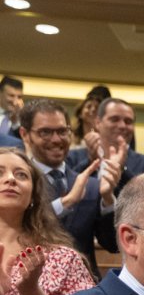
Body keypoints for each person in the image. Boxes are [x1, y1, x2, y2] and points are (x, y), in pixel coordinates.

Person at [0, 148, 94, 295]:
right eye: (0, 173)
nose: (10, 180)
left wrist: (31, 292)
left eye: (21, 174)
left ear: (33, 196)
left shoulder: (63, 259)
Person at [19, 99, 119, 277]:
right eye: (45, 132)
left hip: (84, 288)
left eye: (62, 131)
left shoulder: (91, 183)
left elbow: (112, 245)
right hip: (33, 286)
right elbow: (22, 228)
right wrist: (66, 203)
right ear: (25, 135)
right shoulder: (17, 183)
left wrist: (108, 199)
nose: (56, 139)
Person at [66, 98, 144, 189]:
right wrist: (90, 163)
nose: (122, 126)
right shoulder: (72, 158)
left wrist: (122, 170)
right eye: (114, 119)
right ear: (98, 122)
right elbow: (65, 189)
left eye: (128, 122)